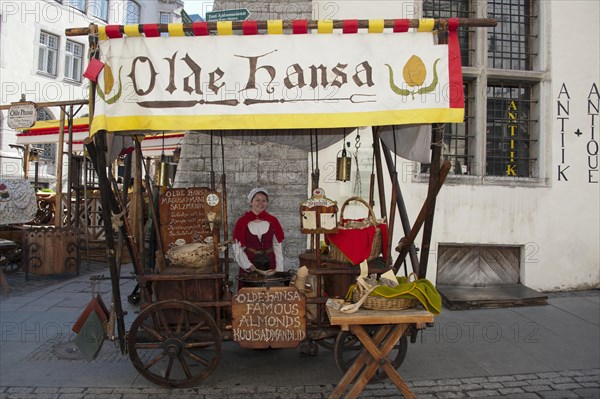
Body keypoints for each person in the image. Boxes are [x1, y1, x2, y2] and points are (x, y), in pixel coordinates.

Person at [233, 188, 285, 287]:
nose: (260, 203)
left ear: (267, 203)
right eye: (257, 200)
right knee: (250, 294)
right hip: (250, 262)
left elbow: (277, 245)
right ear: (251, 202)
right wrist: (247, 265)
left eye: (264, 200)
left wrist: (278, 268)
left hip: (270, 263)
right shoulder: (242, 221)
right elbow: (237, 247)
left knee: (269, 294)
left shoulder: (272, 220)